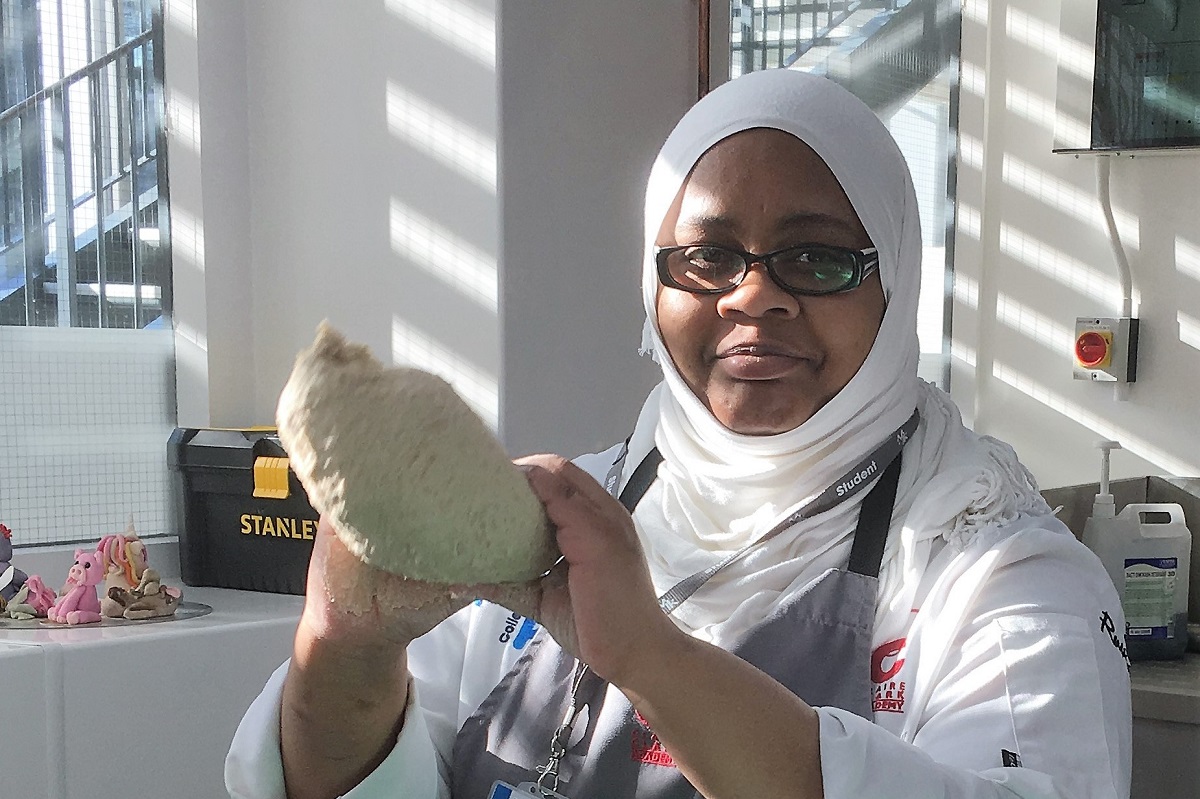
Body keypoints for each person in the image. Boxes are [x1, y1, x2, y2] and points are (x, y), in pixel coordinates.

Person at [226, 69, 1131, 799]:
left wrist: (650, 656)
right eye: (707, 257)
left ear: (893, 286)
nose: (753, 294)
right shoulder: (540, 526)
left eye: (816, 259)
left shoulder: (992, 572)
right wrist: (344, 644)